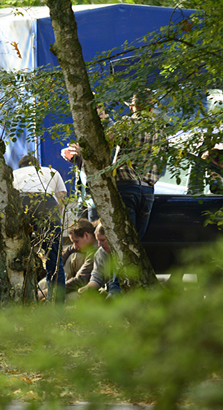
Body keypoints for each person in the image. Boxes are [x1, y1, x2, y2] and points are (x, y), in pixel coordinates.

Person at [110, 92, 166, 240]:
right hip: (148, 189)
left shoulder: (127, 123)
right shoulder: (160, 130)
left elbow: (108, 140)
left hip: (126, 184)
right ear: (151, 108)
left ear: (133, 107)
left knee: (125, 239)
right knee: (137, 241)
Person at [13, 155, 67, 303]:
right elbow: (61, 197)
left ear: (21, 166)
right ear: (38, 164)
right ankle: (57, 307)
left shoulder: (14, 174)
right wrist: (57, 222)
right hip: (47, 203)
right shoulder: (51, 171)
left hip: (22, 202)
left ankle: (21, 300)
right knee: (54, 259)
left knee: (18, 252)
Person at [77, 221, 120, 297]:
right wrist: (87, 288)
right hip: (108, 289)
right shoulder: (100, 253)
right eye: (98, 240)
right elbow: (97, 276)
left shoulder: (125, 253)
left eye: (102, 240)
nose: (99, 244)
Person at [63, 219, 98, 294]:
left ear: (86, 235)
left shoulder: (97, 248)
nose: (75, 246)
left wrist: (51, 291)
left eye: (76, 241)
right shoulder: (88, 240)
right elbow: (69, 249)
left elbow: (81, 279)